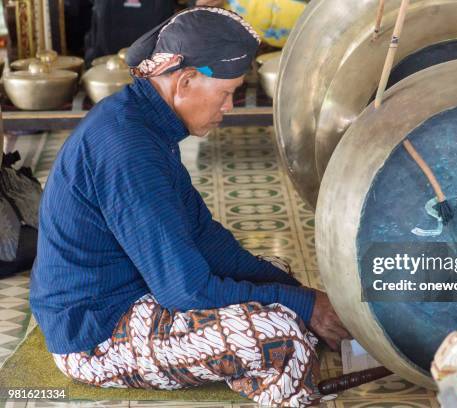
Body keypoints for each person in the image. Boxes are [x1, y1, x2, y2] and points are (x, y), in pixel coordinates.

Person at [29, 7, 350, 407]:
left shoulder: (143, 121)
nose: (229, 107)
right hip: (97, 333)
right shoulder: (128, 148)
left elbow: (203, 237)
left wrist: (301, 294)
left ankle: (255, 365)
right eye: (226, 93)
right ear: (184, 81)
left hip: (138, 291)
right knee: (279, 336)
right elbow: (185, 289)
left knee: (279, 278)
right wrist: (302, 306)